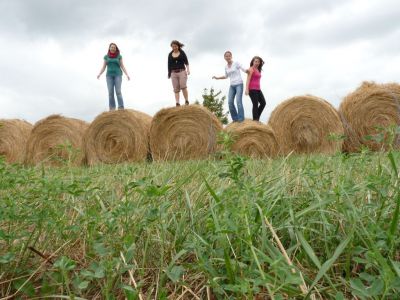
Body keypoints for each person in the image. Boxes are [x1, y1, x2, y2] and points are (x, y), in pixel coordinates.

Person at [212, 51, 247, 122]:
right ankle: (235, 119)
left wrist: (247, 71)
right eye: (226, 56)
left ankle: (241, 119)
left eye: (229, 56)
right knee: (230, 102)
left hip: (239, 84)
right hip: (232, 86)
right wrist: (217, 78)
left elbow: (243, 68)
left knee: (238, 101)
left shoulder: (236, 63)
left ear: (231, 56)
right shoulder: (226, 67)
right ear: (224, 58)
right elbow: (226, 76)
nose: (227, 57)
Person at [97, 43, 130, 111]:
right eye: (111, 47)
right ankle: (112, 108)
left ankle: (121, 107)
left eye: (114, 47)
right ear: (109, 48)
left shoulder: (119, 56)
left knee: (118, 91)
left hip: (118, 75)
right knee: (110, 93)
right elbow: (103, 67)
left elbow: (122, 66)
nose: (113, 48)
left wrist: (127, 74)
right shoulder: (106, 57)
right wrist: (99, 74)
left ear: (116, 48)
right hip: (109, 76)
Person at [168, 40, 190, 106]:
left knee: (183, 86)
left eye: (175, 46)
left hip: (182, 71)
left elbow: (186, 62)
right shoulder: (170, 54)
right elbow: (169, 64)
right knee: (176, 89)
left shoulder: (182, 53)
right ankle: (177, 103)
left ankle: (186, 101)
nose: (174, 48)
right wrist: (169, 73)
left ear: (178, 46)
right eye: (173, 46)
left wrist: (188, 70)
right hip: (173, 73)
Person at [245, 56, 266, 121]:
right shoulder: (251, 69)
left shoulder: (258, 69)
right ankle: (255, 119)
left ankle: (256, 118)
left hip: (258, 89)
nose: (257, 63)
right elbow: (248, 79)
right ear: (253, 62)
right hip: (252, 89)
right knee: (255, 104)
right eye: (255, 61)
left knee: (263, 103)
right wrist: (246, 89)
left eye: (258, 62)